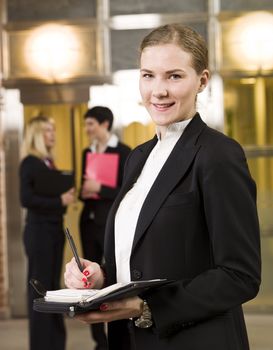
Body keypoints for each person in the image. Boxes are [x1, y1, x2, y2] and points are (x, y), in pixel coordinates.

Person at [64, 24, 261, 350]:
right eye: (148, 75)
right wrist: (101, 276)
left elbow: (240, 275)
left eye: (174, 76)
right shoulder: (138, 157)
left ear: (202, 81)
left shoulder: (218, 155)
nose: (158, 90)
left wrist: (147, 307)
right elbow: (143, 257)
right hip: (131, 340)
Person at [20, 116, 75, 350]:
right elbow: (26, 199)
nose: (52, 134)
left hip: (52, 229)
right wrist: (59, 200)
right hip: (39, 232)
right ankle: (42, 344)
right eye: (47, 131)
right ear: (36, 135)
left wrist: (64, 196)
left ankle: (55, 343)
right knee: (39, 290)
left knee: (51, 289)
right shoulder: (30, 163)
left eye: (53, 130)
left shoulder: (47, 162)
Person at [79, 106, 131, 349]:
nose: (87, 129)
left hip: (111, 223)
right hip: (88, 221)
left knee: (111, 276)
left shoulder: (124, 152)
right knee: (88, 279)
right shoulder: (86, 152)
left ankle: (115, 336)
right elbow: (84, 190)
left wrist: (99, 188)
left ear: (105, 124)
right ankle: (99, 340)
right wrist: (84, 191)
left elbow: (126, 192)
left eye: (90, 124)